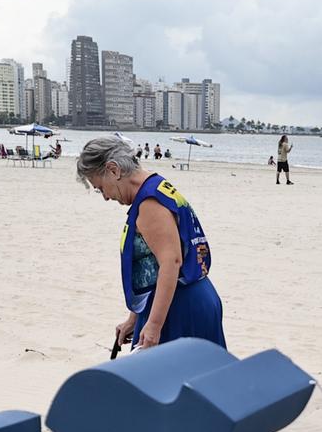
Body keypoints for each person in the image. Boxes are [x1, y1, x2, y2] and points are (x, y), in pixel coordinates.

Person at [76, 136, 224, 352]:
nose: (105, 197)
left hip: (180, 305)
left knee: (171, 382)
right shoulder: (155, 186)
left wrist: (154, 324)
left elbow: (171, 262)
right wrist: (134, 318)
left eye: (100, 188)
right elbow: (151, 267)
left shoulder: (149, 203)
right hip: (181, 299)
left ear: (113, 170)